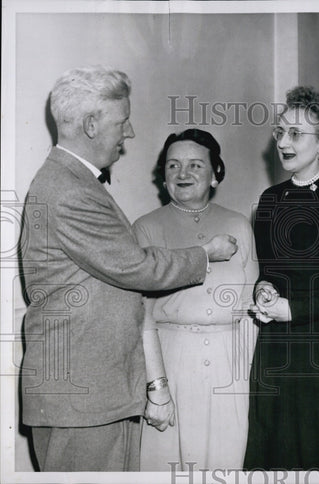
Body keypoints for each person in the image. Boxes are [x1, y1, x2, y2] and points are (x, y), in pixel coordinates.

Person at [20, 66, 238, 472]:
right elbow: (135, 267)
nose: (130, 133)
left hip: (96, 393)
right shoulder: (67, 190)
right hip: (83, 398)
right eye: (122, 121)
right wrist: (206, 253)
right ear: (90, 125)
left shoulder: (76, 182)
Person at [244, 86, 319, 470]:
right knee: (275, 444)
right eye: (280, 132)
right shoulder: (270, 198)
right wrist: (264, 289)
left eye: (296, 134)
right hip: (277, 344)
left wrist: (293, 310)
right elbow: (270, 270)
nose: (283, 142)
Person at [134, 129, 259, 470]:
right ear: (163, 177)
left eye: (194, 165)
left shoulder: (239, 224)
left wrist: (244, 375)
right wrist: (157, 387)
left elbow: (249, 311)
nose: (182, 174)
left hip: (228, 364)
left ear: (216, 174)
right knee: (167, 466)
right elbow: (141, 316)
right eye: (173, 166)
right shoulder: (146, 228)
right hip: (171, 360)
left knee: (225, 463)